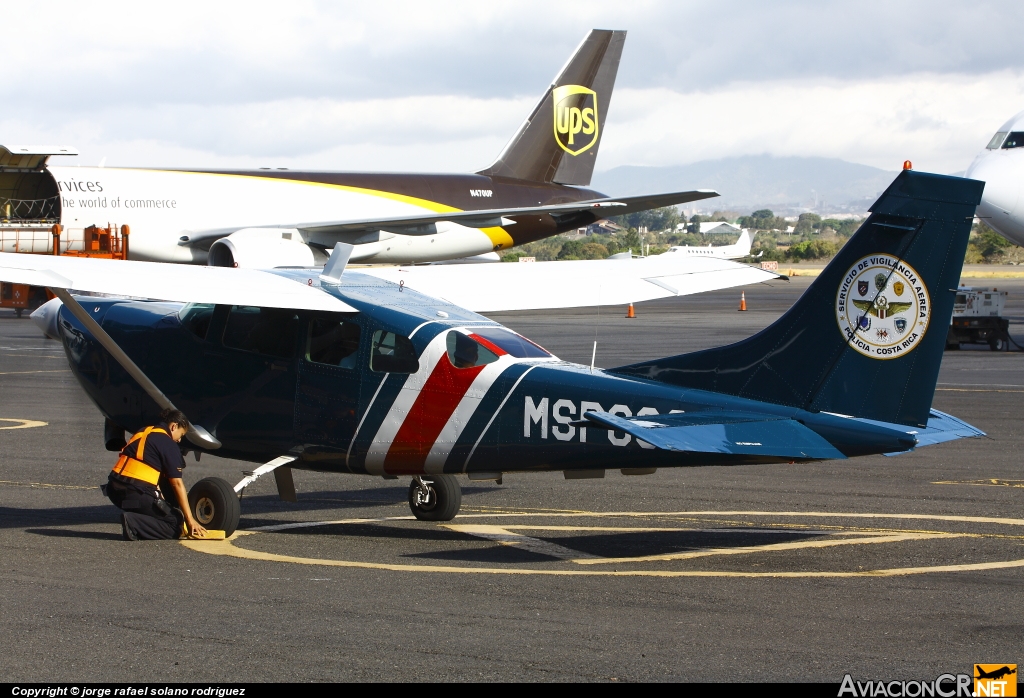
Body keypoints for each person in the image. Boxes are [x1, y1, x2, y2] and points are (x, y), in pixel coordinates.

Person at [104, 408, 208, 540]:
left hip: (115, 492)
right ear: (174, 426)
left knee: (161, 508)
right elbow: (176, 484)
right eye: (181, 435)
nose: (179, 440)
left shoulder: (143, 431)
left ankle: (137, 516)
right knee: (175, 523)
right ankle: (133, 523)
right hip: (135, 494)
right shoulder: (167, 443)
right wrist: (189, 519)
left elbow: (153, 476)